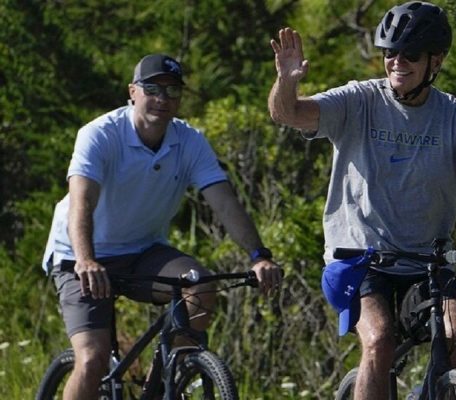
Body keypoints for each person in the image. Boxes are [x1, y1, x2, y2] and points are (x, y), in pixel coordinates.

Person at [268, 2, 456, 399]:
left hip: (427, 261)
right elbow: (288, 114)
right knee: (379, 340)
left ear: (435, 61)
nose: (397, 61)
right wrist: (286, 82)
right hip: (359, 258)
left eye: (410, 54)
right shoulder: (359, 100)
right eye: (390, 51)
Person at [42, 54, 282, 400]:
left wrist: (259, 256)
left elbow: (225, 203)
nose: (162, 98)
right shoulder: (100, 134)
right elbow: (82, 202)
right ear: (133, 92)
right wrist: (86, 259)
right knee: (93, 359)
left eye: (172, 91)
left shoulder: (189, 141)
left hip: (142, 251)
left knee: (201, 287)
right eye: (152, 89)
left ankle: (164, 383)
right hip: (79, 255)